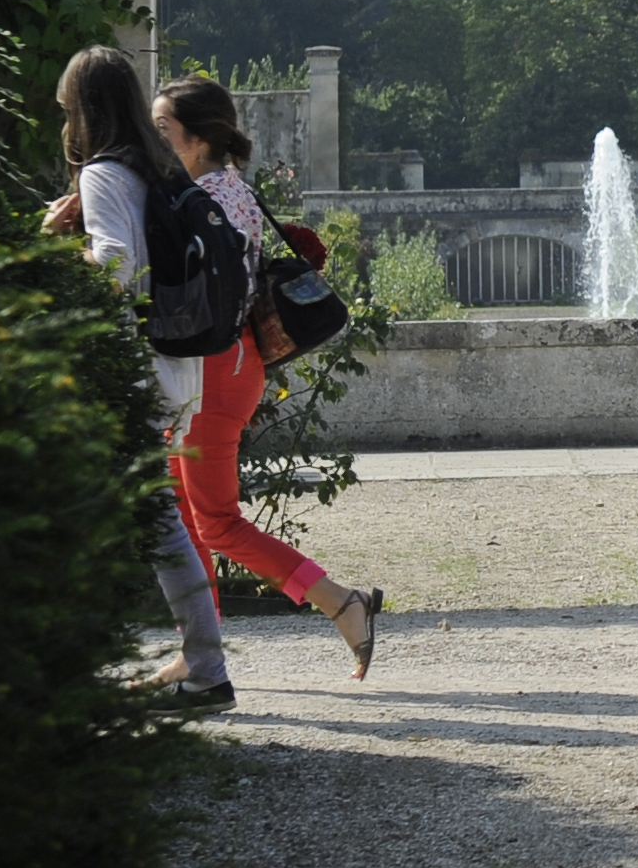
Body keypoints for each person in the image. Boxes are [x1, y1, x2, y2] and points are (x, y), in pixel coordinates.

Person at [152, 76, 386, 674]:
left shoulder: (209, 201)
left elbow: (202, 294)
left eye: (162, 131)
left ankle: (340, 601)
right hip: (218, 368)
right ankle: (197, 647)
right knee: (182, 515)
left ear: (199, 139)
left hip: (216, 370)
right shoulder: (223, 190)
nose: (153, 141)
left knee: (216, 523)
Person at [43, 44, 237, 713]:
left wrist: (58, 249)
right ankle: (201, 664)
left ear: (84, 110)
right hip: (175, 363)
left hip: (126, 370)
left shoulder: (102, 172)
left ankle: (205, 669)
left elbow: (117, 268)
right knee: (149, 517)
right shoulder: (156, 167)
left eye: (67, 107)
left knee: (145, 519)